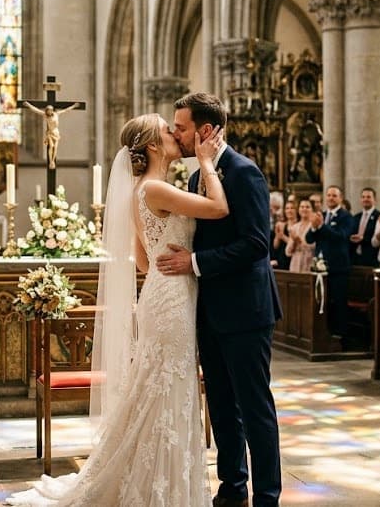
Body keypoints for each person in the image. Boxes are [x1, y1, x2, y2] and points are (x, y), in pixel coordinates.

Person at [7, 113, 227, 505]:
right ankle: (161, 487)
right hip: (172, 299)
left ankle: (153, 479)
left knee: (158, 389)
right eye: (167, 130)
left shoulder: (141, 191)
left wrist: (173, 252)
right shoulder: (157, 189)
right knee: (168, 389)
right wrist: (206, 162)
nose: (175, 134)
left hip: (161, 292)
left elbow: (144, 263)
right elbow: (219, 208)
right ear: (154, 146)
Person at [157, 92, 282, 507]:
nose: (176, 133)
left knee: (255, 408)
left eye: (182, 127)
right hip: (210, 313)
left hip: (246, 312)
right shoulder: (197, 177)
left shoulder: (245, 173)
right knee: (224, 410)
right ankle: (233, 488)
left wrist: (194, 262)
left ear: (205, 130)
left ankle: (266, 496)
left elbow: (255, 245)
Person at [306, 185, 356, 339]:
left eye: (334, 195)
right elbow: (309, 239)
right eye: (328, 195)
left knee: (338, 301)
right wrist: (314, 228)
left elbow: (341, 236)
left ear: (340, 198)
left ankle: (340, 335)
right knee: (322, 301)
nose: (330, 198)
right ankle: (323, 332)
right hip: (321, 266)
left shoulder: (346, 216)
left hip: (338, 266)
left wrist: (321, 226)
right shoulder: (322, 214)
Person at [23, 101, 83, 170]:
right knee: (51, 146)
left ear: (52, 110)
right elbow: (36, 110)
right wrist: (28, 105)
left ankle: (53, 161)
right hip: (50, 133)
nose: (49, 111)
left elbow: (66, 110)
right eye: (48, 110)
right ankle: (51, 161)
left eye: (51, 110)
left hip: (56, 132)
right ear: (47, 111)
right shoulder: (45, 115)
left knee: (55, 147)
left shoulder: (56, 114)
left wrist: (74, 106)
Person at [350, 187, 380, 266]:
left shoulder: (379, 216)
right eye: (363, 197)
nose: (365, 199)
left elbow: (378, 238)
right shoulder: (356, 217)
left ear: (374, 199)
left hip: (371, 257)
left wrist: (363, 239)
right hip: (355, 258)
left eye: (368, 197)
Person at [285, 199, 315, 273]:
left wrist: (299, 240)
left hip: (309, 264)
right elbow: (287, 252)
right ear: (298, 210)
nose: (304, 209)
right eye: (302, 207)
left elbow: (314, 247)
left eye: (307, 207)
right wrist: (294, 242)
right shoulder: (294, 227)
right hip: (295, 265)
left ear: (312, 210)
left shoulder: (314, 227)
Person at [271, 200, 296, 270]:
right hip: (281, 260)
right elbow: (275, 246)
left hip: (293, 259)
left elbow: (296, 245)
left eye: (292, 208)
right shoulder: (282, 225)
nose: (289, 210)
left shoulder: (298, 226)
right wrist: (277, 235)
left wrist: (283, 236)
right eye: (287, 208)